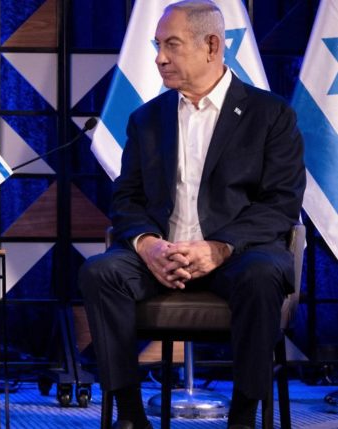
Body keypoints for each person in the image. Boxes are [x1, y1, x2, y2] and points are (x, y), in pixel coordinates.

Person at [78, 1, 305, 428]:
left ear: (212, 45)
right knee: (99, 272)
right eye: (157, 45)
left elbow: (281, 203)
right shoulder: (147, 118)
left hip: (239, 254)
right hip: (162, 254)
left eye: (172, 45)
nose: (159, 57)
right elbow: (125, 199)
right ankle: (128, 414)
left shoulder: (270, 115)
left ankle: (243, 416)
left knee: (263, 275)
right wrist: (148, 246)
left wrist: (219, 248)